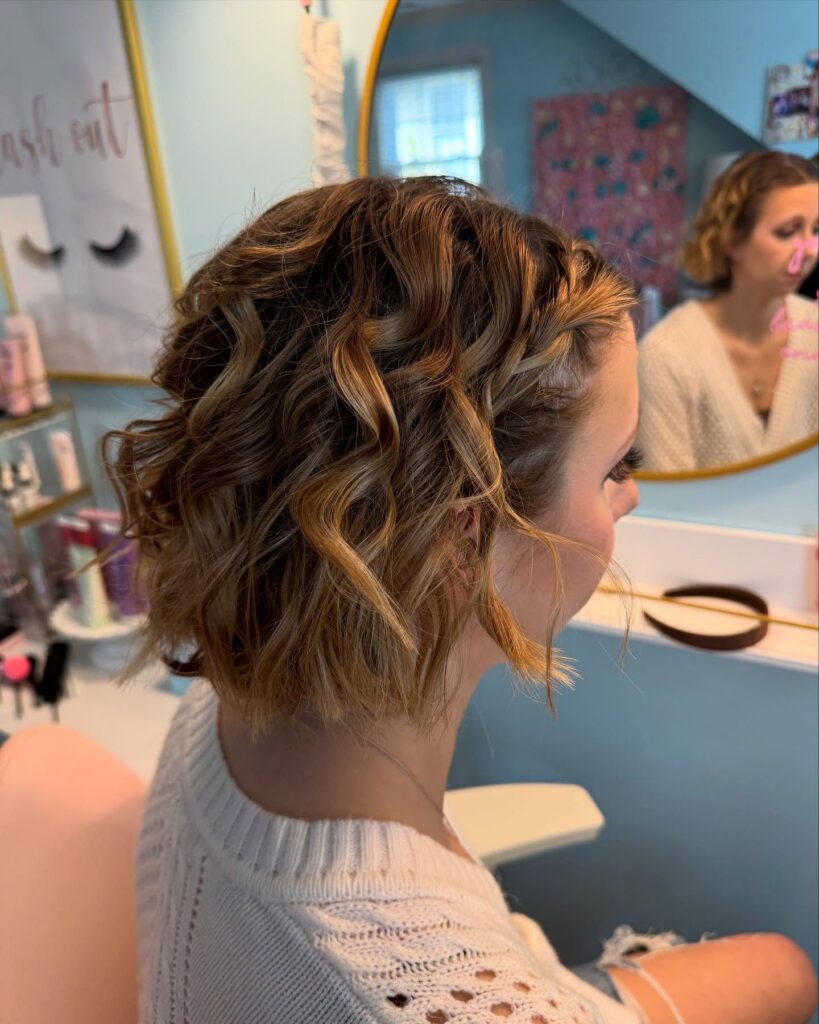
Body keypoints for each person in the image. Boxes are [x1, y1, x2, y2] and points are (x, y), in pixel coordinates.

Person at [100, 177, 818, 1023]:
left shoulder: (238, 683)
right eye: (616, 467)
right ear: (461, 541)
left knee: (782, 970)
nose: (629, 499)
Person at [637, 151, 818, 473]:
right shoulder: (666, 354)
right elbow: (671, 508)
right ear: (732, 240)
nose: (809, 251)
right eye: (787, 232)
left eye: (816, 231)